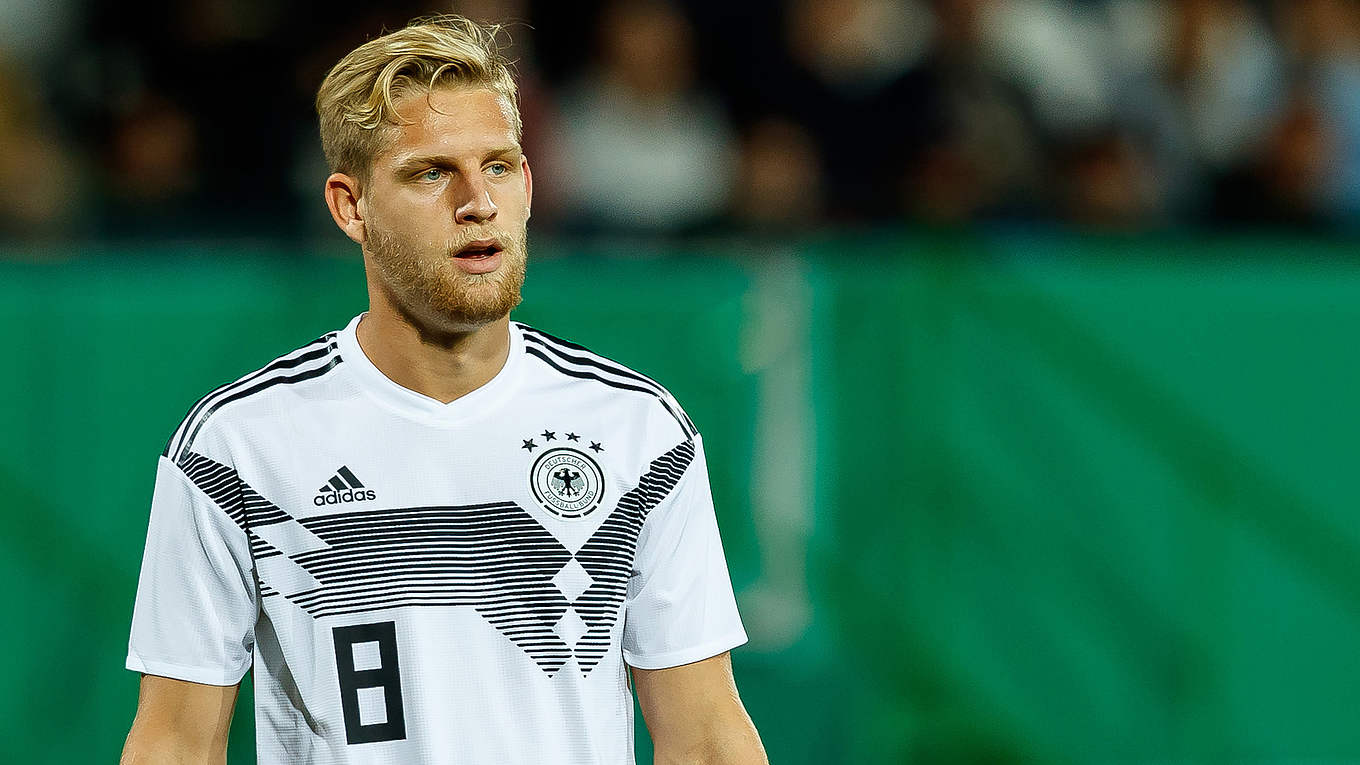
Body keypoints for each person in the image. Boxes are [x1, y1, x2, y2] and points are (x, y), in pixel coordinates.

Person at [119, 15, 767, 765]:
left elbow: (707, 739)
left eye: (498, 166)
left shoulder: (639, 430)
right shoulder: (237, 447)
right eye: (431, 173)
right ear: (350, 206)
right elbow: (175, 743)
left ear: (528, 185)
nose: (477, 201)